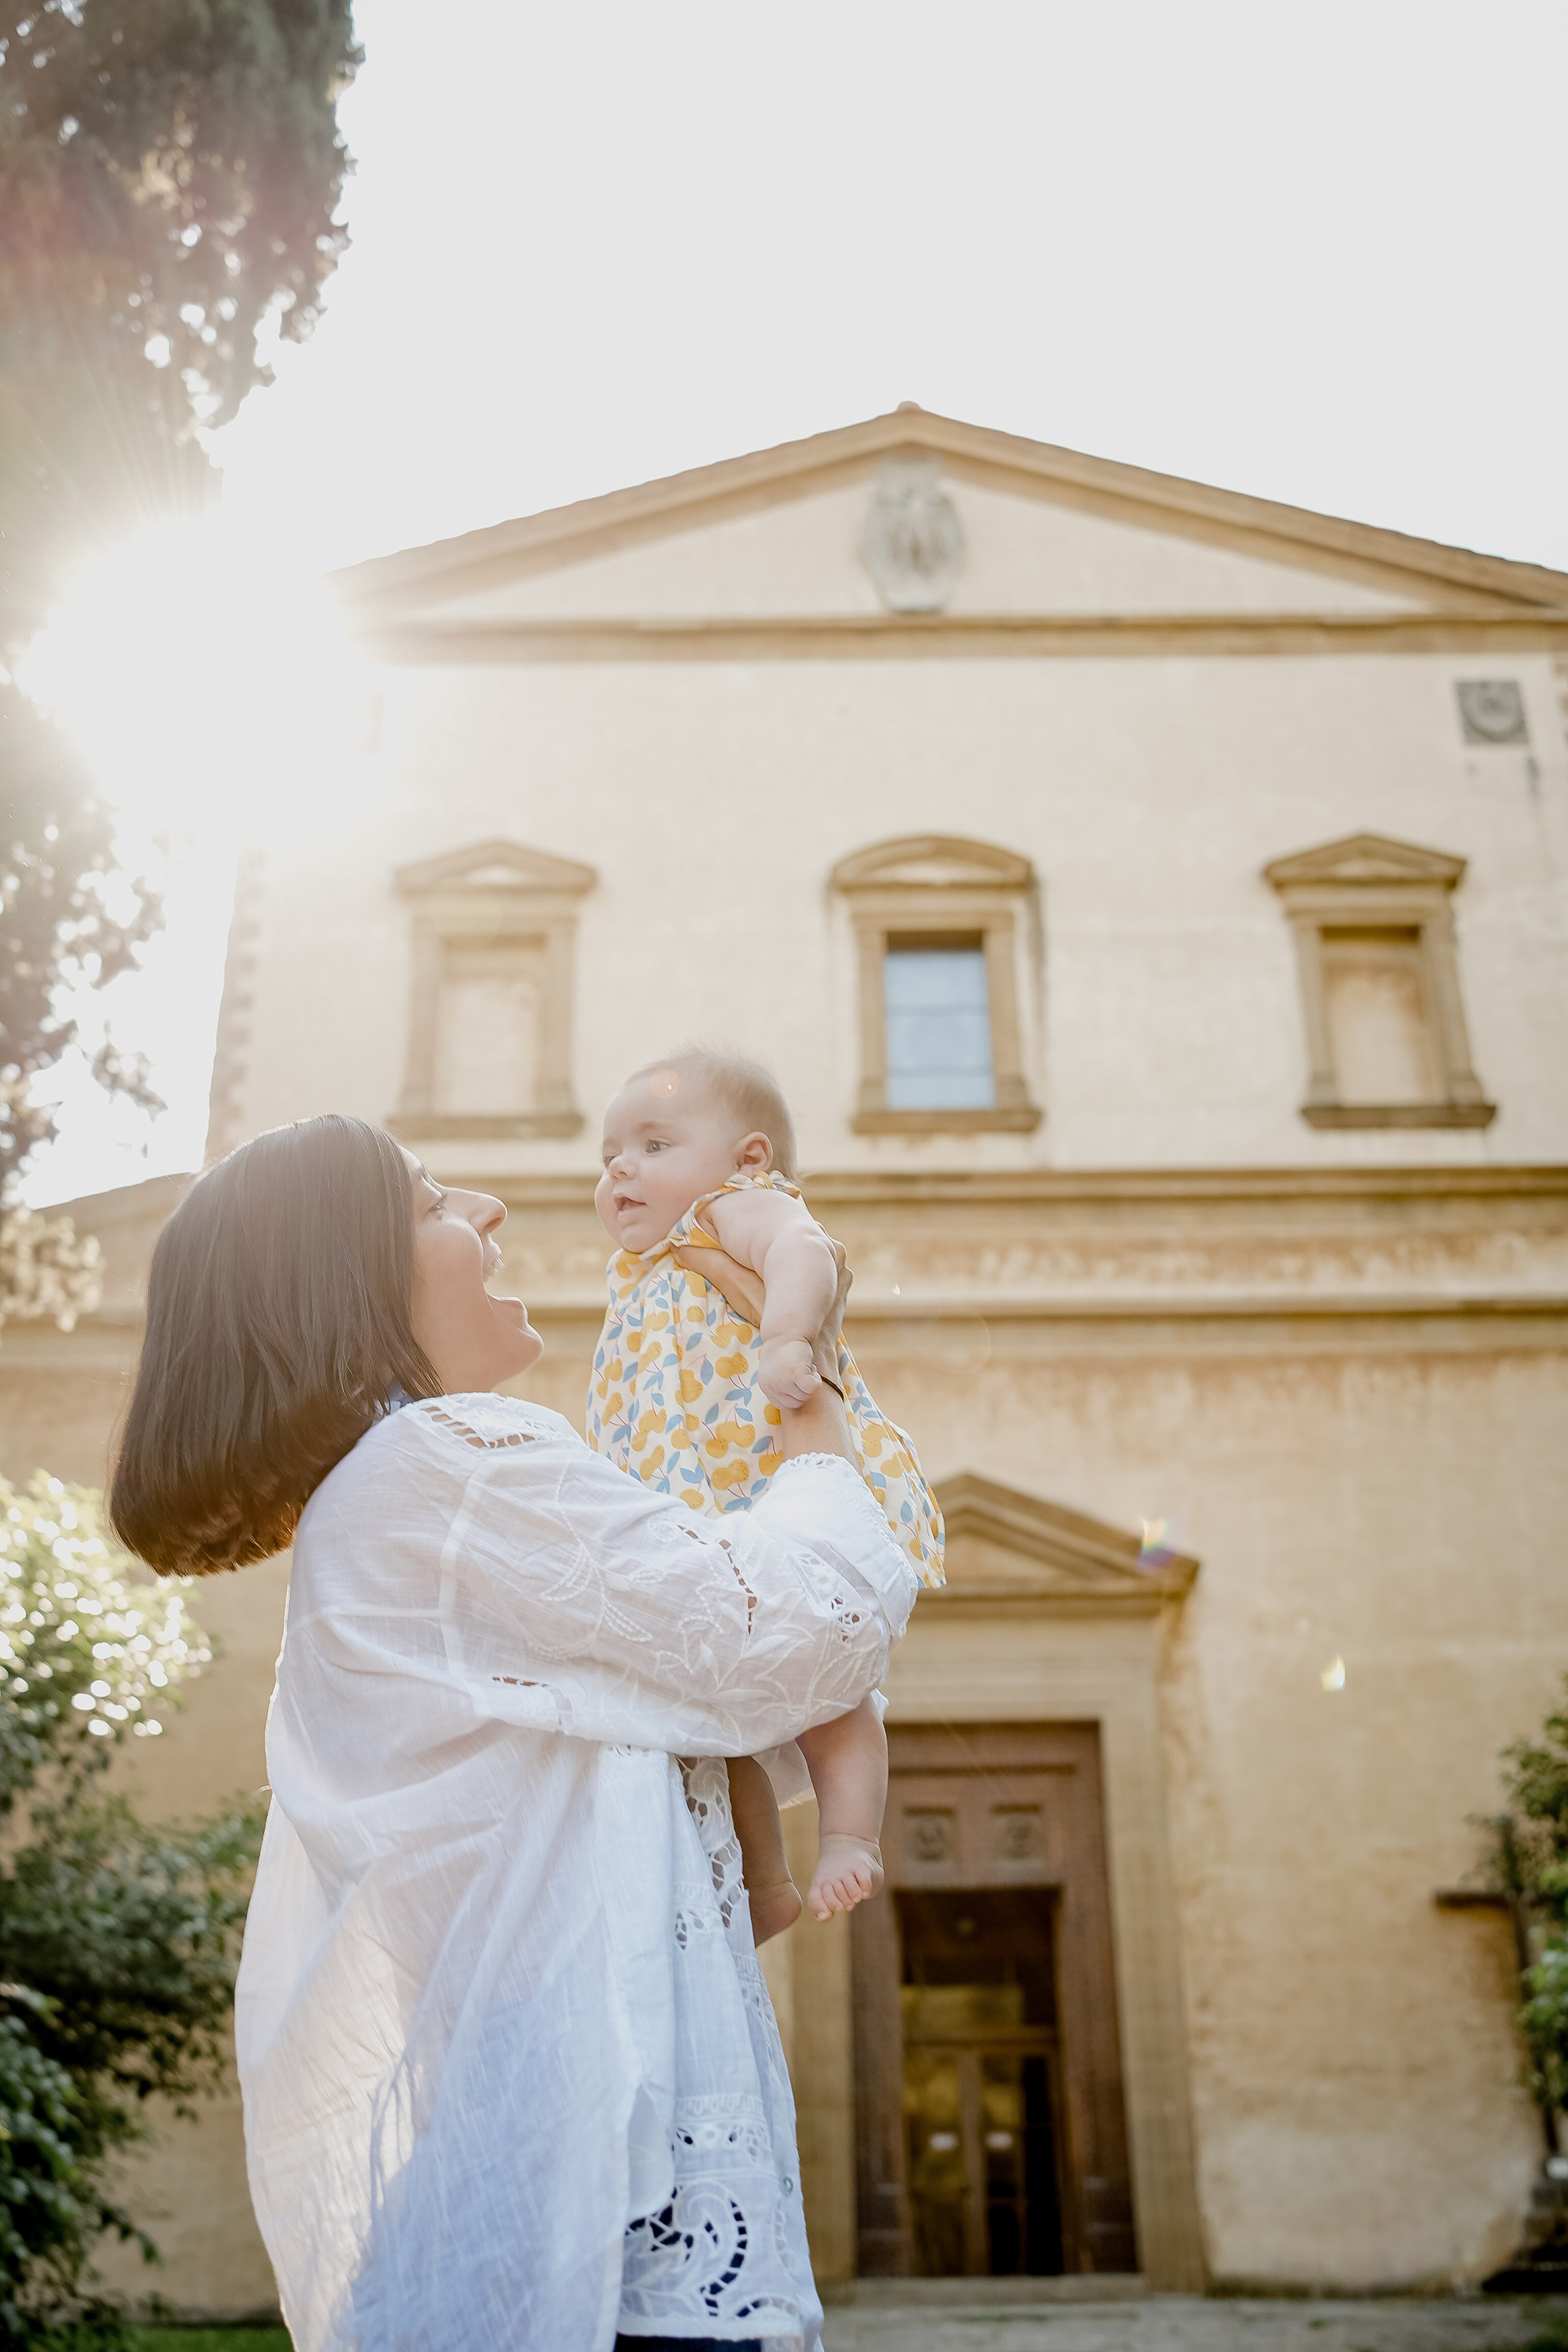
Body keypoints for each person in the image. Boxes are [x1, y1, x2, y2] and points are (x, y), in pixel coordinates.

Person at [108, 1113, 916, 2352]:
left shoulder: (380, 1506)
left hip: (523, 2200)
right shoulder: (447, 1464)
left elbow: (682, 1716)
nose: (486, 1211)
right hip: (600, 2243)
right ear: (347, 1286)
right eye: (434, 1202)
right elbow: (806, 1636)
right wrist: (798, 1377)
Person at [589, 1050, 943, 1942]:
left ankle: (850, 1835)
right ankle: (764, 1881)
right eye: (609, 1157)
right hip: (697, 1506)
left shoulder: (731, 1211)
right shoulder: (646, 1270)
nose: (621, 1167)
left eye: (654, 1142)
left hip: (769, 1480)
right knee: (715, 1721)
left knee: (834, 1691)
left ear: (749, 1159)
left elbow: (805, 1249)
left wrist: (786, 1337)